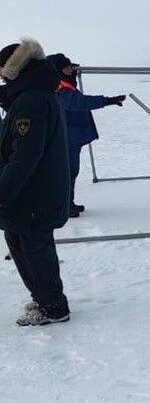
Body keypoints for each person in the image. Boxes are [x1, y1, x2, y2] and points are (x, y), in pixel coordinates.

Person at [0, 39, 71, 326]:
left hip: (33, 196)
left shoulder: (32, 101)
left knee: (35, 248)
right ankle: (43, 298)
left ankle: (53, 306)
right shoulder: (31, 96)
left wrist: (2, 192)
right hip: (27, 194)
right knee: (19, 242)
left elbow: (25, 157)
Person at [46, 53, 125, 217]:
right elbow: (80, 102)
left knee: (71, 171)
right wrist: (107, 100)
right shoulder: (60, 89)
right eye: (66, 68)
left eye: (70, 67)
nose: (70, 70)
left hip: (73, 136)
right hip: (66, 137)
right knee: (66, 173)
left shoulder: (65, 84)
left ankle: (69, 203)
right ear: (58, 70)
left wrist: (73, 74)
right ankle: (63, 207)